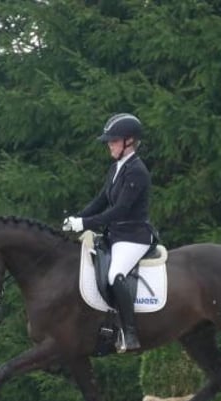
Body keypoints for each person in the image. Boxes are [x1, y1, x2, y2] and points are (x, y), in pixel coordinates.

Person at [63, 113, 157, 352]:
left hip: (134, 236)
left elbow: (120, 209)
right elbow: (101, 200)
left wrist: (86, 224)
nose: (109, 144)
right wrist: (77, 218)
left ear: (129, 142)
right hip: (117, 236)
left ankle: (130, 333)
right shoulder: (116, 168)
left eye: (114, 141)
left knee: (115, 274)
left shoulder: (137, 171)